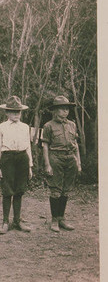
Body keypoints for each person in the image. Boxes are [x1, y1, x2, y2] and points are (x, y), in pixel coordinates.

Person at [0, 96, 33, 234]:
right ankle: (5, 221)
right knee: (7, 190)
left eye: (18, 111)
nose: (16, 114)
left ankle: (17, 220)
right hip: (8, 159)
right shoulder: (1, 127)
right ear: (7, 113)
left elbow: (28, 146)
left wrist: (30, 166)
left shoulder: (25, 127)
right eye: (13, 111)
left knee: (19, 190)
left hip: (22, 158)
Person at [42, 96, 81, 232]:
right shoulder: (48, 126)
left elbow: (75, 145)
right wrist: (47, 164)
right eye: (62, 109)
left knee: (66, 190)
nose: (65, 111)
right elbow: (45, 146)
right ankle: (54, 220)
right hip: (55, 158)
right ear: (55, 110)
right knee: (55, 191)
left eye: (67, 109)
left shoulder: (72, 125)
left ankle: (62, 218)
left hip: (70, 158)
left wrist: (78, 162)